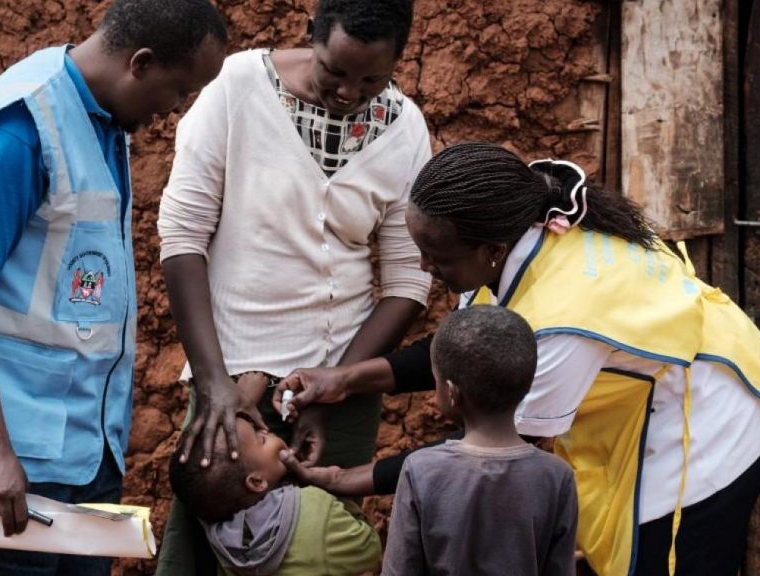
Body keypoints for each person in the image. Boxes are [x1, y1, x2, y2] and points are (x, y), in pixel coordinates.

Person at [275, 142, 760, 576]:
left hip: (707, 424)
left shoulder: (559, 322)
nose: (423, 267)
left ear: (488, 251)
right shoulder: (528, 228)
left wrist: (350, 478)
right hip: (672, 378)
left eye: (436, 256)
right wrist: (346, 378)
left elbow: (489, 446)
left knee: (664, 558)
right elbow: (463, 350)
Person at [0, 1, 227, 574]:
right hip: (8, 461)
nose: (174, 110)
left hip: (77, 450)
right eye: (178, 90)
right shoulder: (19, 131)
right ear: (141, 63)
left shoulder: (98, 116)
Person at [156, 0, 432, 572]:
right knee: (196, 556)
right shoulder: (238, 87)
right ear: (311, 33)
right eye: (334, 71)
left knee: (317, 553)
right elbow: (183, 235)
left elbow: (408, 280)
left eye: (372, 79)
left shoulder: (404, 128)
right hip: (231, 384)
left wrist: (339, 385)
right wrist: (213, 381)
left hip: (344, 389)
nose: (350, 93)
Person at [380, 305, 577, 576]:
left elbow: (399, 570)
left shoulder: (422, 470)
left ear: (451, 392)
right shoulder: (556, 477)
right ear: (527, 384)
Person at [168, 373, 381, 576]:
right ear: (257, 481)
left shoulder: (220, 540)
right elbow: (369, 548)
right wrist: (332, 493)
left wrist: (245, 400)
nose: (265, 430)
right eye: (261, 439)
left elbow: (200, 478)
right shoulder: (314, 506)